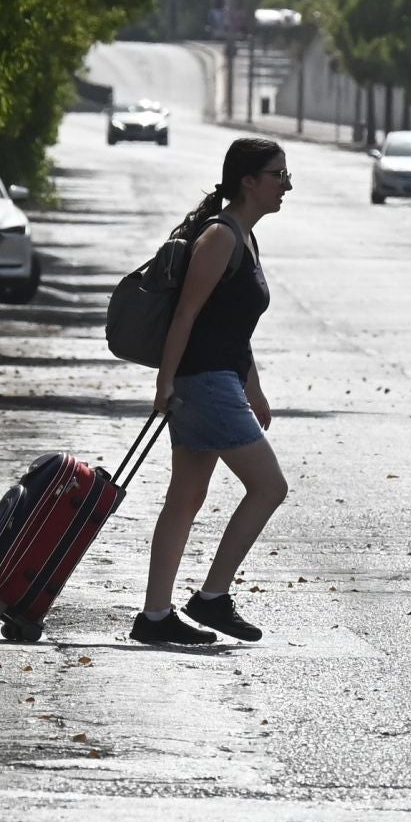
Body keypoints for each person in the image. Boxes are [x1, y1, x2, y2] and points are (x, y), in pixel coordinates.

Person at [133, 138, 292, 646]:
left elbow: (232, 329)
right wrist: (165, 382)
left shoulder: (244, 237)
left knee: (185, 497)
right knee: (270, 487)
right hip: (202, 382)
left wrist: (256, 387)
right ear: (249, 181)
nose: (286, 185)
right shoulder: (220, 237)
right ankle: (212, 597)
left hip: (214, 378)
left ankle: (155, 617)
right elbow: (186, 315)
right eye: (278, 175)